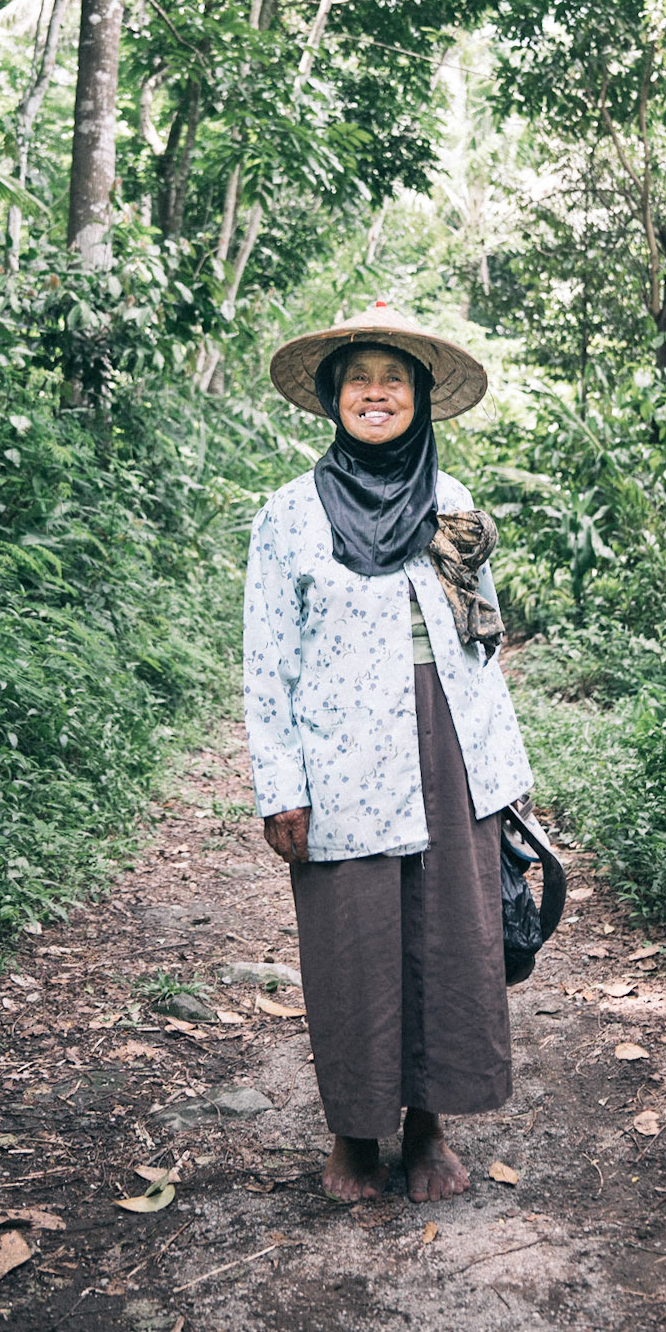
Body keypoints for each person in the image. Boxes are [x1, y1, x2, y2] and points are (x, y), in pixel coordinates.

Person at [243, 299, 533, 1202]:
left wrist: (504, 775)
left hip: (450, 740)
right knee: (353, 941)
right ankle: (354, 1139)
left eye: (394, 380)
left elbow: (483, 637)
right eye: (360, 380)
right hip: (341, 753)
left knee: (450, 934)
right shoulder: (289, 514)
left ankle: (430, 1130)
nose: (377, 394)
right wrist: (279, 784)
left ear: (420, 398)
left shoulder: (452, 503)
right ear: (335, 397)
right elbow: (266, 656)